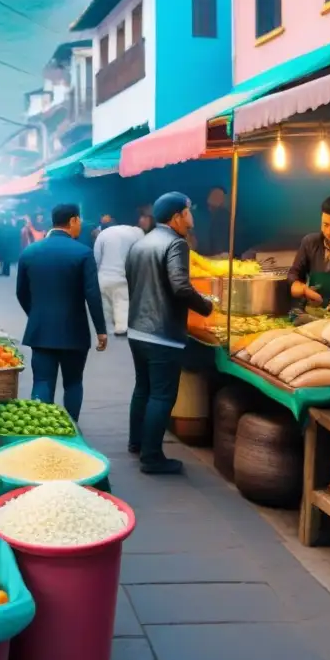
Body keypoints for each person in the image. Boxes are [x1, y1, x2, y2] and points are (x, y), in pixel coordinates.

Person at [126, 192, 214, 475]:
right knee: (162, 396)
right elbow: (180, 286)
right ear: (177, 216)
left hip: (137, 330)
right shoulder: (176, 244)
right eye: (188, 211)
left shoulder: (141, 243)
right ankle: (152, 457)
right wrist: (206, 306)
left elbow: (133, 281)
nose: (191, 216)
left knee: (143, 389)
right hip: (162, 333)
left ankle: (137, 443)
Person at [17, 204, 107, 421]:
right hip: (74, 331)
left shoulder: (30, 252)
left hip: (40, 330)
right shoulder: (83, 253)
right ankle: (71, 428)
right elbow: (92, 295)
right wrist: (101, 330)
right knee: (73, 382)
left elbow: (21, 292)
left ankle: (42, 429)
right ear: (74, 220)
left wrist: (36, 314)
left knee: (42, 381)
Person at [94, 220, 145, 336]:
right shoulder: (138, 234)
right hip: (122, 277)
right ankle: (121, 327)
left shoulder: (103, 234)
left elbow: (96, 256)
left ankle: (106, 327)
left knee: (105, 303)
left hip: (103, 276)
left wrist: (95, 273)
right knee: (122, 301)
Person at [196, 186, 230, 256]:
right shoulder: (196, 213)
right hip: (199, 257)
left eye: (220, 197)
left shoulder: (225, 215)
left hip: (220, 258)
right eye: (215, 195)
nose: (217, 198)